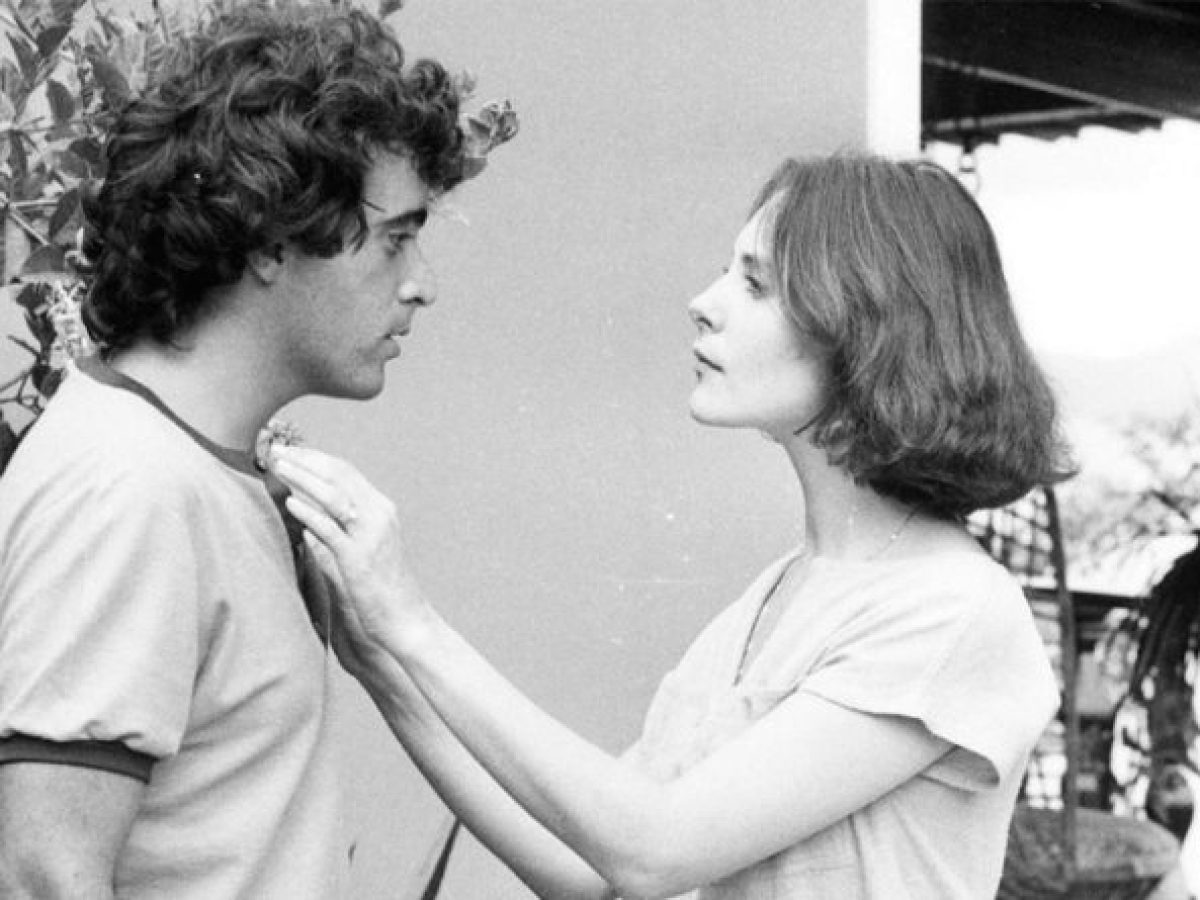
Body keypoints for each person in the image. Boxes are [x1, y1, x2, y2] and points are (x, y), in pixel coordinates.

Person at [270, 154, 1071, 900]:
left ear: (864, 326)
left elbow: (654, 850)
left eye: (755, 284)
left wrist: (411, 623)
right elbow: (592, 871)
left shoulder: (952, 610)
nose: (704, 303)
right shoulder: (775, 598)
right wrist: (381, 664)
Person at [0, 3, 470, 898]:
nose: (422, 285)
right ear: (270, 238)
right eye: (397, 238)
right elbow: (43, 876)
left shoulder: (194, 470)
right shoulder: (129, 487)